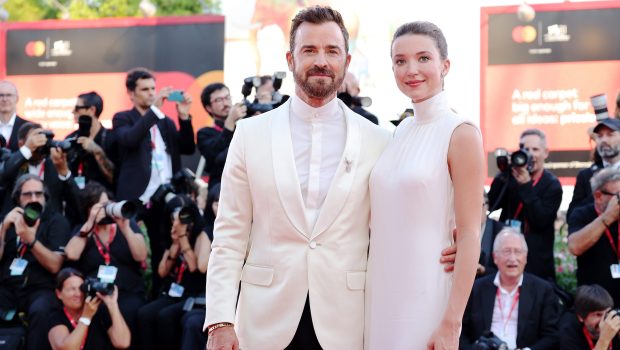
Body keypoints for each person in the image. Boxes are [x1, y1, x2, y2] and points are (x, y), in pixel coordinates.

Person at [203, 6, 456, 350]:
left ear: (346, 61)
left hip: (346, 323)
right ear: (291, 59)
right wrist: (220, 320)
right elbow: (229, 236)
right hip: (264, 322)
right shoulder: (250, 134)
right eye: (310, 50)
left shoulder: (379, 140)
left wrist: (448, 240)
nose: (321, 60)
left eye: (331, 51)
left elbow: (401, 219)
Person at [365, 21, 484, 349]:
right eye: (400, 61)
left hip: (428, 293)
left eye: (423, 58)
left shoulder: (461, 133)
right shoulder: (400, 131)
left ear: (445, 65)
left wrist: (451, 322)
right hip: (381, 289)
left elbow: (471, 231)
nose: (411, 69)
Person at [112, 67, 195, 291]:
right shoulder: (123, 118)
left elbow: (187, 147)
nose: (151, 93)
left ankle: (160, 292)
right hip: (137, 198)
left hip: (165, 197)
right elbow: (129, 139)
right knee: (135, 252)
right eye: (145, 89)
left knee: (163, 247)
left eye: (153, 89)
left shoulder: (165, 121)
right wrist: (155, 112)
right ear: (131, 94)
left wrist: (184, 116)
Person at [64, 181, 147, 348]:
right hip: (97, 294)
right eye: (99, 206)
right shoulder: (83, 230)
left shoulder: (126, 225)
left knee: (132, 310)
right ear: (88, 209)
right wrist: (90, 224)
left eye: (107, 204)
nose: (105, 209)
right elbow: (71, 254)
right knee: (99, 312)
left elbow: (141, 255)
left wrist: (125, 229)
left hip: (127, 291)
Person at [0, 174, 71, 350]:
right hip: (8, 286)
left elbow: (55, 265)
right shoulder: (9, 219)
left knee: (40, 311)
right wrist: (3, 230)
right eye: (28, 194)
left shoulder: (56, 221)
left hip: (40, 287)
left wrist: (31, 241)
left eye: (38, 194)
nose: (34, 199)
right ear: (18, 198)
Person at [460, 228, 560, 349]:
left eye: (518, 252)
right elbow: (461, 329)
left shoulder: (543, 290)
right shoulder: (477, 288)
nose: (512, 258)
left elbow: (552, 336)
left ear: (526, 257)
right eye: (506, 251)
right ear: (495, 257)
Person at [488, 128, 563, 282]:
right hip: (507, 256)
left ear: (545, 153)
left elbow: (540, 220)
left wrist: (526, 186)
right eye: (525, 148)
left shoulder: (552, 185)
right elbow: (491, 205)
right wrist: (503, 173)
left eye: (535, 149)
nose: (529, 154)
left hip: (536, 262)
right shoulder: (510, 177)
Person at [137, 195, 207, 350]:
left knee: (165, 316)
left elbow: (194, 267)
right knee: (144, 314)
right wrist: (175, 243)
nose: (180, 221)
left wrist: (183, 238)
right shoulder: (172, 235)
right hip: (173, 292)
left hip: (192, 294)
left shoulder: (201, 235)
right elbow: (162, 272)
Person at [568, 167, 620, 306]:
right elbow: (575, 247)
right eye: (618, 196)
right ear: (598, 196)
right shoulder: (582, 214)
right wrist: (607, 217)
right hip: (595, 303)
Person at [48, 268, 131, 350]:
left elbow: (123, 343)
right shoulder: (56, 317)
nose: (78, 294)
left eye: (81, 288)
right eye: (72, 289)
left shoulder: (100, 311)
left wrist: (112, 304)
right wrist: (86, 317)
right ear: (59, 294)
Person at [65, 91, 117, 192]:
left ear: (92, 110)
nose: (73, 112)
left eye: (77, 108)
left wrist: (97, 151)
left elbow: (115, 178)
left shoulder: (111, 138)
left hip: (104, 201)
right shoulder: (70, 139)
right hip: (75, 201)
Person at [196, 83, 246, 188]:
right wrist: (230, 122)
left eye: (227, 97)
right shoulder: (204, 133)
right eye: (219, 100)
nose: (225, 103)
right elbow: (214, 157)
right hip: (221, 188)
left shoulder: (244, 125)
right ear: (209, 107)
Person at [568, 118, 620, 220]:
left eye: (610, 135)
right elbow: (572, 216)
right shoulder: (586, 175)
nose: (604, 140)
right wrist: (599, 192)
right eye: (600, 136)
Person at [560, 284, 620, 349]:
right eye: (598, 314)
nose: (605, 320)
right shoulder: (569, 333)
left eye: (608, 313)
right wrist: (604, 339)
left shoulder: (615, 322)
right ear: (581, 317)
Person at [0, 80, 29, 152]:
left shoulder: (28, 128)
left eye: (9, 95)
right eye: (1, 95)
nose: (4, 99)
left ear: (17, 98)